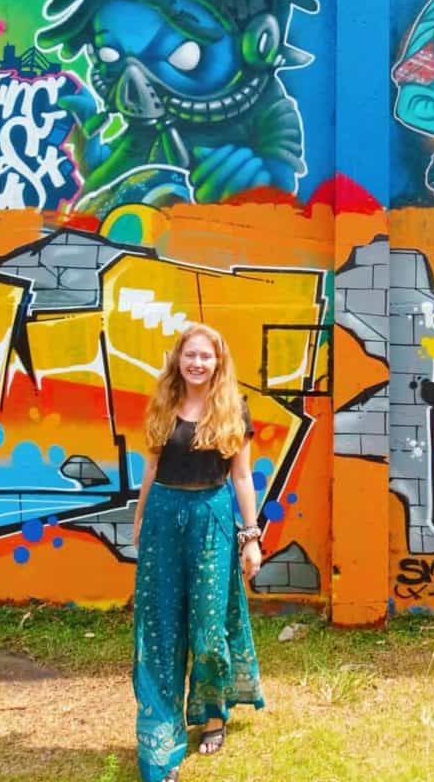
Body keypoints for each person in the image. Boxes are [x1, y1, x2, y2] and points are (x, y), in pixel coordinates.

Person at [132, 322, 264, 782]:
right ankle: (162, 740)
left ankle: (212, 715)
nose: (197, 363)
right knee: (161, 630)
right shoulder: (164, 404)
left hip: (211, 519)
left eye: (205, 356)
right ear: (178, 359)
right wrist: (141, 517)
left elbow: (243, 477)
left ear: (218, 362)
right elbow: (151, 467)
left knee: (208, 627)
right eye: (190, 354)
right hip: (164, 520)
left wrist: (251, 536)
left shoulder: (233, 409)